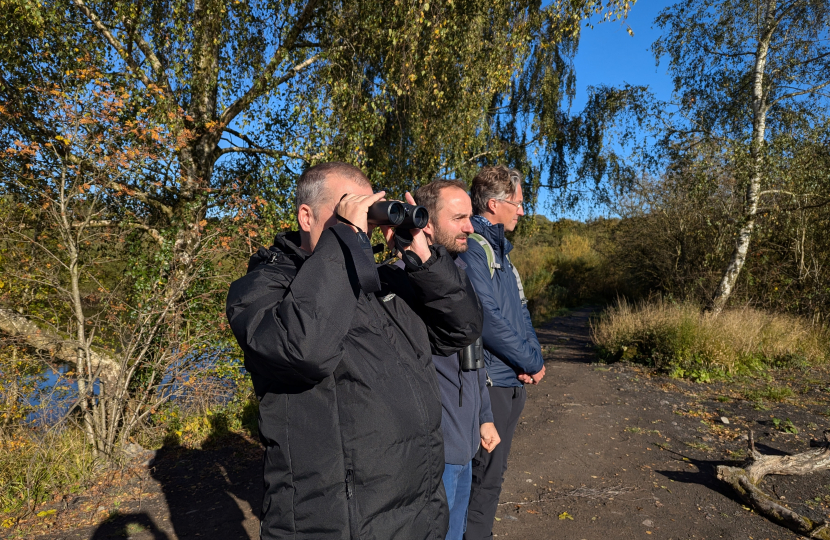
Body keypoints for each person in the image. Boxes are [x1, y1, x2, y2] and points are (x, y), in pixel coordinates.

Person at [225, 162, 483, 540]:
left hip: (418, 516)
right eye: (348, 208)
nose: (362, 224)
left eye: (365, 212)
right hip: (337, 524)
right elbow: (302, 349)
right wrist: (345, 238)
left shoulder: (382, 285)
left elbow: (462, 328)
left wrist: (423, 259)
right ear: (306, 216)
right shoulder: (262, 289)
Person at [459, 165, 546, 540]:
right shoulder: (473, 249)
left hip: (511, 380)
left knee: (494, 475)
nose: (522, 211)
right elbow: (488, 321)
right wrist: (528, 361)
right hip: (490, 382)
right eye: (518, 203)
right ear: (494, 204)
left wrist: (534, 360)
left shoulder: (500, 252)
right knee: (482, 476)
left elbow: (521, 312)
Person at [412, 180, 501, 540]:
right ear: (427, 224)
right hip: (437, 447)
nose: (470, 225)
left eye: (470, 216)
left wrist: (485, 417)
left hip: (466, 440)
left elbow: (473, 354)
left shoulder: (458, 275)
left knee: (458, 531)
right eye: (460, 218)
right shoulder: (406, 282)